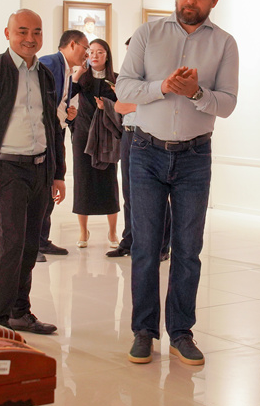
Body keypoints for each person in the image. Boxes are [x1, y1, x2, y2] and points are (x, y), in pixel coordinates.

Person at [116, 0, 239, 366]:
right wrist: (163, 86)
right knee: (145, 247)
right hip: (145, 151)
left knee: (188, 249)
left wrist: (196, 93)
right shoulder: (148, 33)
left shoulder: (224, 44)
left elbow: (227, 104)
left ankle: (181, 332)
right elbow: (124, 87)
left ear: (214, 0)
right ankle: (144, 331)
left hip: (194, 157)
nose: (190, 0)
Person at [0, 9, 65, 335]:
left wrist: (58, 173)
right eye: (22, 31)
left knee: (31, 244)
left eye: (37, 32)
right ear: (8, 33)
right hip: (7, 169)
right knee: (11, 242)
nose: (30, 39)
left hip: (40, 169)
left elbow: (53, 126)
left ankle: (20, 312)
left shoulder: (45, 74)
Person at [109, 39, 172, 260]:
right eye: (128, 51)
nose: (130, 56)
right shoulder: (130, 80)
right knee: (129, 192)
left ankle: (162, 246)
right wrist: (143, 103)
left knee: (157, 196)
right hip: (128, 134)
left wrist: (139, 103)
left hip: (148, 136)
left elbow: (161, 105)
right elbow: (119, 106)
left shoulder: (158, 78)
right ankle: (129, 241)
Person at [37, 30, 89, 259]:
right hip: (44, 136)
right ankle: (33, 244)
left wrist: (67, 114)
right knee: (40, 191)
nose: (87, 53)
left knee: (49, 188)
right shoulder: (49, 63)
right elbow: (39, 102)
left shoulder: (67, 70)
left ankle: (41, 240)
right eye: (85, 48)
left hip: (56, 132)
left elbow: (58, 102)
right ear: (72, 44)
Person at [70, 38, 121, 248]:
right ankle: (83, 231)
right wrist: (76, 75)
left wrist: (107, 105)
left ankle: (112, 232)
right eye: (91, 51)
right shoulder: (82, 78)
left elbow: (124, 106)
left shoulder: (117, 79)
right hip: (83, 135)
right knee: (82, 181)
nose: (94, 55)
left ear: (107, 56)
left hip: (107, 136)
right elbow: (66, 96)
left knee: (109, 182)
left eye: (100, 52)